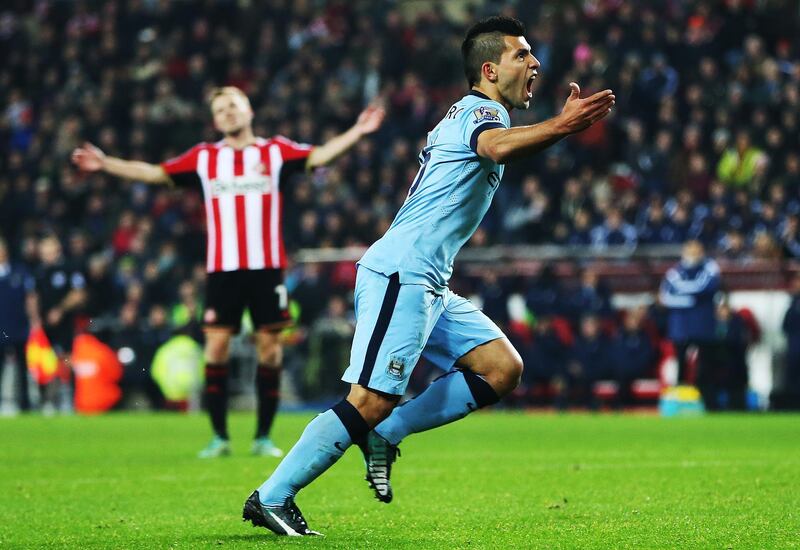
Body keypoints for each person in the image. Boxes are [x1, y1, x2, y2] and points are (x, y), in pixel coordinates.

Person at [242, 16, 615, 536]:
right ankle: (273, 496)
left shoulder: (473, 114)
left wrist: (556, 128)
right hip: (404, 273)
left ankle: (387, 433)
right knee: (368, 399)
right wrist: (563, 125)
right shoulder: (482, 112)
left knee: (501, 368)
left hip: (428, 280)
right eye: (521, 55)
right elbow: (496, 147)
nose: (535, 63)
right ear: (489, 68)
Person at [71, 87, 385, 458]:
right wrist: (107, 164)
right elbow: (155, 174)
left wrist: (357, 132)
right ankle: (219, 437)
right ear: (215, 120)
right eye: (220, 109)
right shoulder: (204, 157)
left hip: (266, 269)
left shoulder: (275, 151)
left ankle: (263, 437)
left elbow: (319, 156)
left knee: (270, 350)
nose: (228, 113)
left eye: (233, 105)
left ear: (248, 110)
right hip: (224, 270)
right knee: (216, 349)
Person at [30, 234, 88, 412]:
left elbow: (79, 294)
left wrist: (60, 310)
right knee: (44, 361)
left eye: (50, 248)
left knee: (66, 359)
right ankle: (47, 400)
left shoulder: (69, 268)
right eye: (44, 249)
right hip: (44, 325)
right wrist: (35, 319)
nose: (46, 252)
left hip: (65, 323)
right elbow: (33, 297)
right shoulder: (38, 272)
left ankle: (67, 398)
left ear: (57, 249)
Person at [659, 240, 721, 385]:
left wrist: (681, 293)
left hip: (703, 325)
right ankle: (681, 396)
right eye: (690, 251)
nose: (693, 255)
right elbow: (665, 298)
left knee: (705, 365)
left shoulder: (710, 268)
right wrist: (690, 301)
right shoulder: (674, 272)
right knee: (681, 362)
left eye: (696, 251)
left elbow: (704, 287)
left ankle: (705, 399)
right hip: (680, 325)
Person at [0, 236, 35, 413]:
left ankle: (25, 404)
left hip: (18, 327)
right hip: (0, 329)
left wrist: (35, 321)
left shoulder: (19, 272)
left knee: (23, 367)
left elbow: (30, 298)